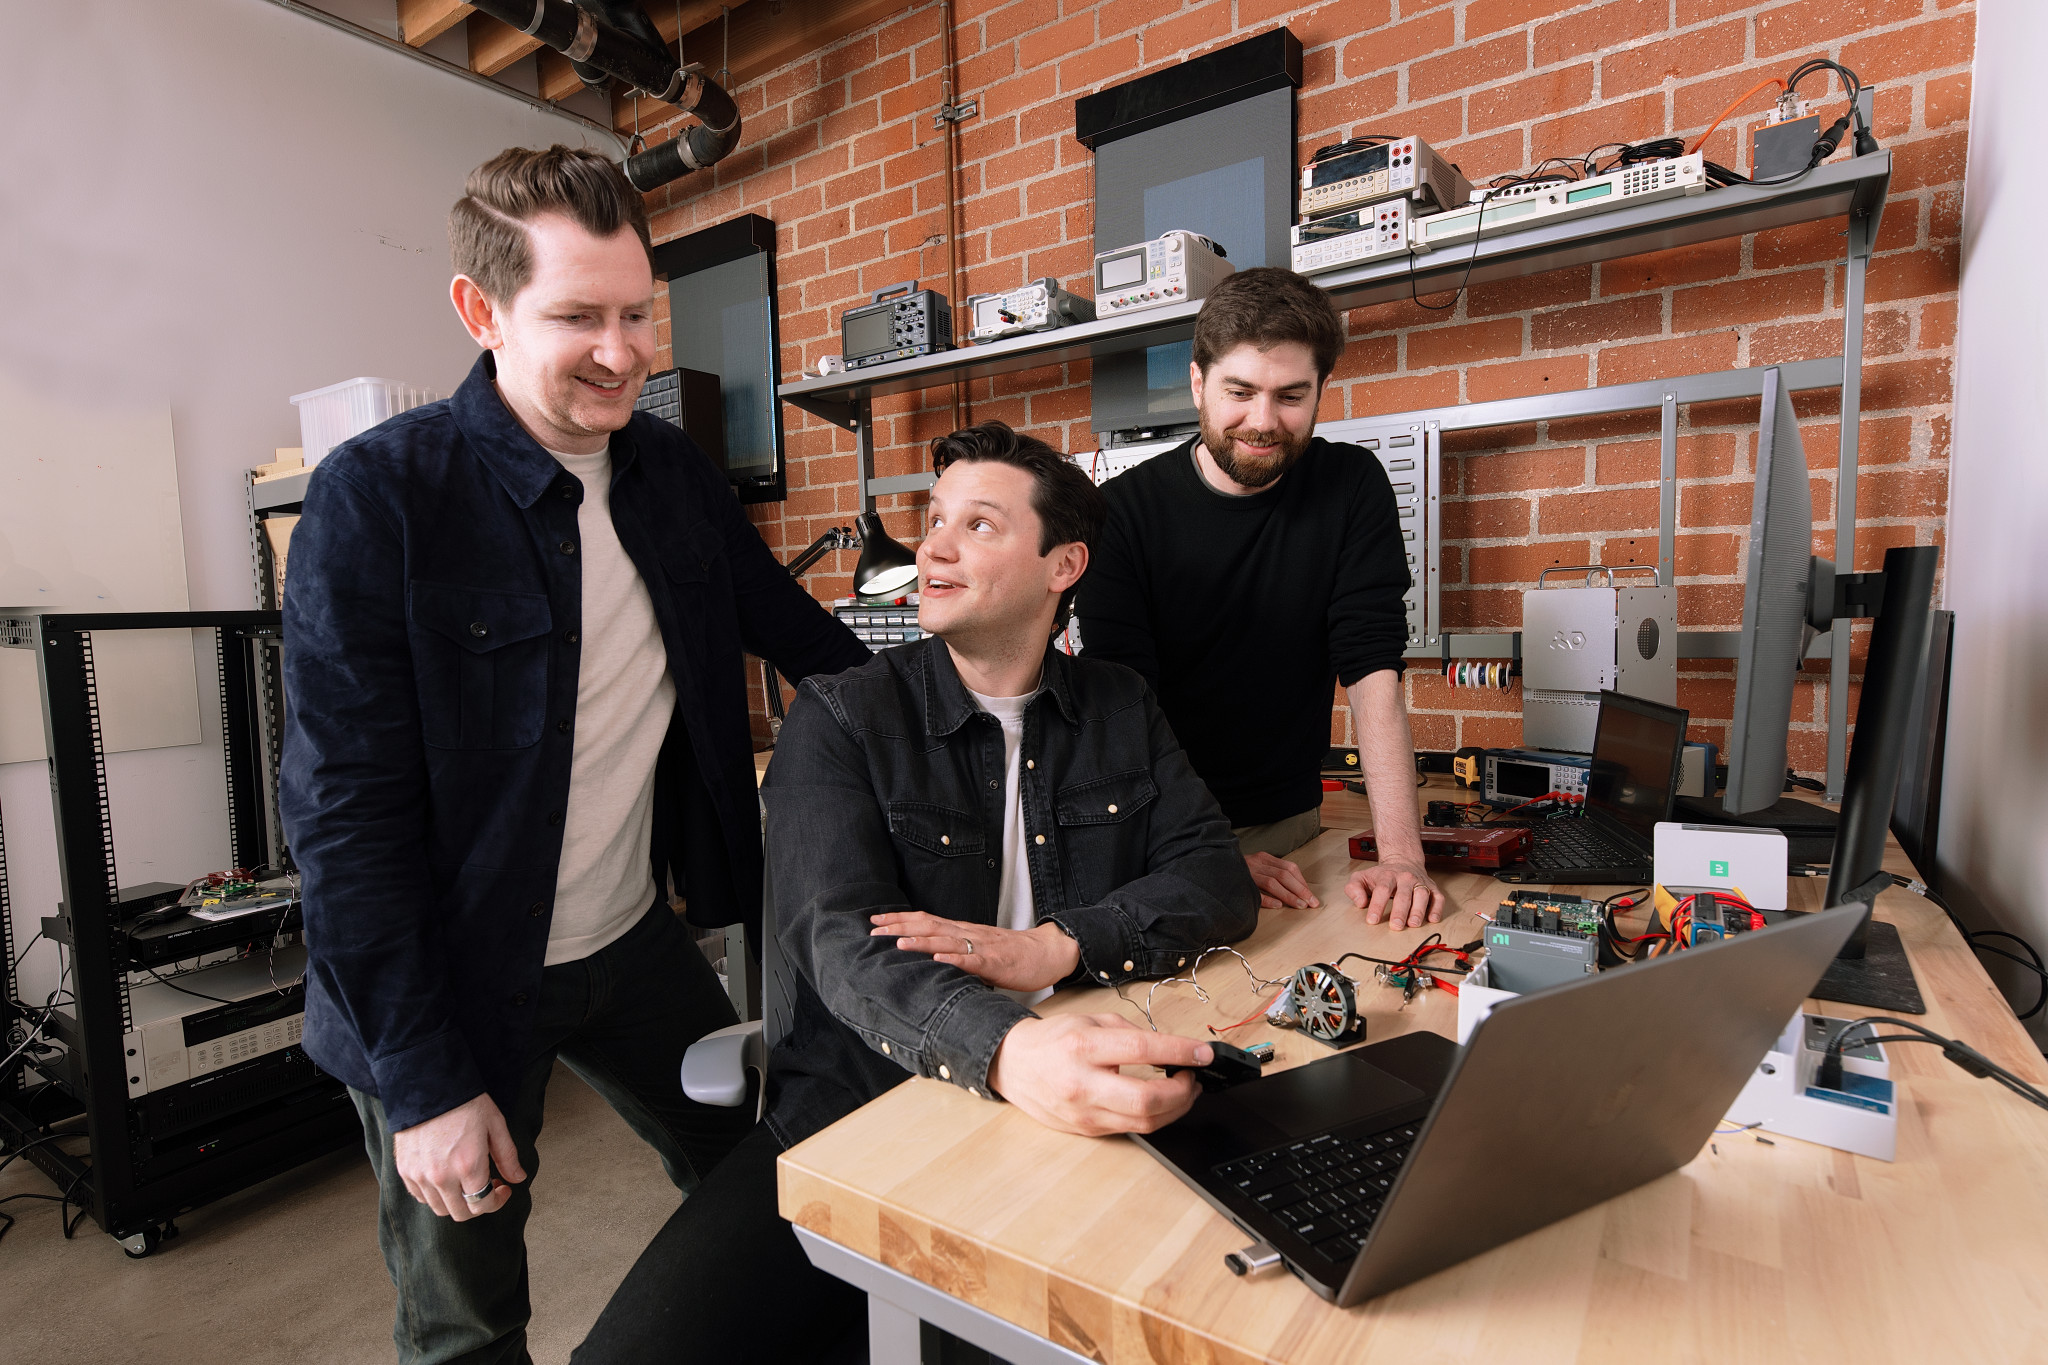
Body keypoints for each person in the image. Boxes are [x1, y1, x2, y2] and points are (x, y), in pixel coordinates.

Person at [279, 145, 869, 1365]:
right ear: (477, 310)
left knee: (776, 1178)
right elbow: (344, 827)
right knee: (468, 1313)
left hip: (629, 941)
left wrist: (1013, 688)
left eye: (637, 313)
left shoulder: (671, 479)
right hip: (445, 987)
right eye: (577, 318)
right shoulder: (377, 501)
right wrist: (429, 1089)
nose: (624, 352)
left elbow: (810, 644)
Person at [573, 421, 1260, 1363]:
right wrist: (1009, 1048)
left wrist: (1057, 945)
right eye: (934, 519)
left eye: (978, 525)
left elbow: (1215, 877)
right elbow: (840, 942)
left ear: (1064, 564)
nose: (933, 545)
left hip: (1075, 1090)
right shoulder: (842, 714)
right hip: (863, 1106)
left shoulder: (1119, 704)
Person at [1075, 267, 1446, 929]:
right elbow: (1124, 716)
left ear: (1321, 390)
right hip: (1157, 833)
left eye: (1291, 395)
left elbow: (1373, 677)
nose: (1263, 421)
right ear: (1198, 383)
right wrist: (1199, 853)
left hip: (1290, 825)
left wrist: (1403, 858)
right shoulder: (1123, 515)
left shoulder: (1350, 487)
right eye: (1239, 392)